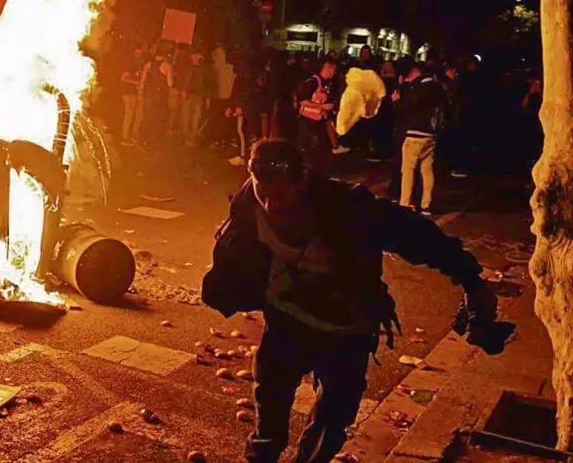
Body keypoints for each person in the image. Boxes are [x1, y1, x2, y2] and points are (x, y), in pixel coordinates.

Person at [202, 139, 500, 463]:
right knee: (270, 404)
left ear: (301, 183)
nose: (271, 205)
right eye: (264, 193)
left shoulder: (347, 208)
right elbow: (234, 256)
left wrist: (472, 281)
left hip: (347, 330)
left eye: (280, 196)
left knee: (332, 421)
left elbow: (417, 235)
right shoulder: (248, 207)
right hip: (287, 321)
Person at [397, 64, 448, 216]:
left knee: (408, 170)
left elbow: (407, 108)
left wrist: (397, 101)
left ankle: (405, 203)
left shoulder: (419, 89)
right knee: (427, 170)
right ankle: (426, 204)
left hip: (415, 133)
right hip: (431, 134)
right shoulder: (439, 88)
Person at [294, 57, 339, 173]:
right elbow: (302, 100)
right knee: (306, 147)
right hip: (308, 121)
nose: (334, 73)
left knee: (319, 148)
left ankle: (316, 170)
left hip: (319, 120)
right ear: (327, 68)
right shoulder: (313, 82)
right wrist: (322, 106)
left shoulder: (327, 83)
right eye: (333, 70)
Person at [137, 47, 173, 150]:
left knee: (147, 117)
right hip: (160, 97)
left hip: (148, 95)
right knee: (158, 119)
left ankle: (144, 139)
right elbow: (170, 83)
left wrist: (140, 94)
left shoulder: (148, 65)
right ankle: (155, 142)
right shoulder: (167, 66)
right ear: (164, 56)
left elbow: (142, 81)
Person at [181, 47, 212, 147]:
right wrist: (182, 91)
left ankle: (192, 139)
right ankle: (186, 137)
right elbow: (181, 80)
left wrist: (208, 98)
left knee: (196, 119)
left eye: (197, 55)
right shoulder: (186, 67)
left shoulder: (205, 69)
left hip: (199, 96)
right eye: (194, 55)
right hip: (188, 95)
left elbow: (208, 84)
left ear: (201, 57)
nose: (195, 57)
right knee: (186, 117)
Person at [119, 46, 144, 146]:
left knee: (133, 114)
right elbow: (123, 78)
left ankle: (130, 136)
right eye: (137, 52)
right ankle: (124, 138)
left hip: (133, 92)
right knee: (129, 114)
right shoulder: (129, 63)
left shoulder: (138, 64)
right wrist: (135, 82)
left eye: (140, 53)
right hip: (127, 92)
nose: (139, 54)